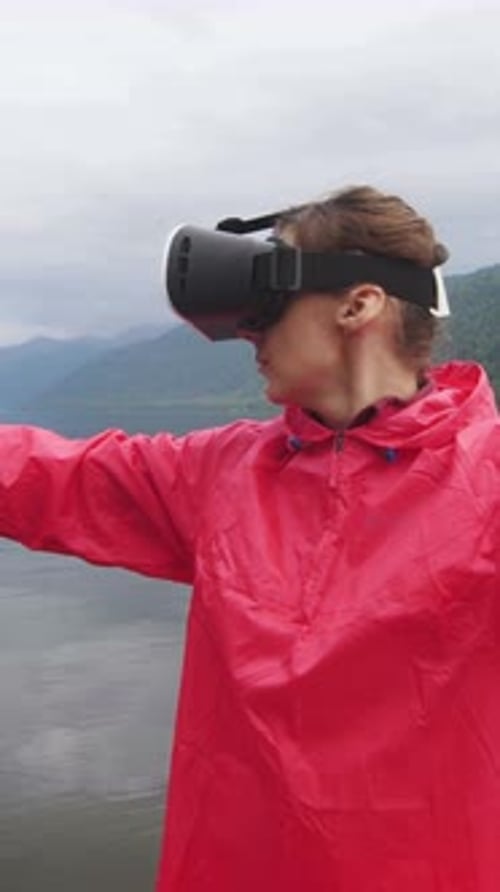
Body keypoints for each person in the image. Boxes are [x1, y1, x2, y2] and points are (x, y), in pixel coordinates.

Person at [1, 185, 499, 892]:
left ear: (359, 305)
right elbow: (47, 476)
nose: (247, 333)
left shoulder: (488, 485)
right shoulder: (220, 475)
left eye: (266, 305)